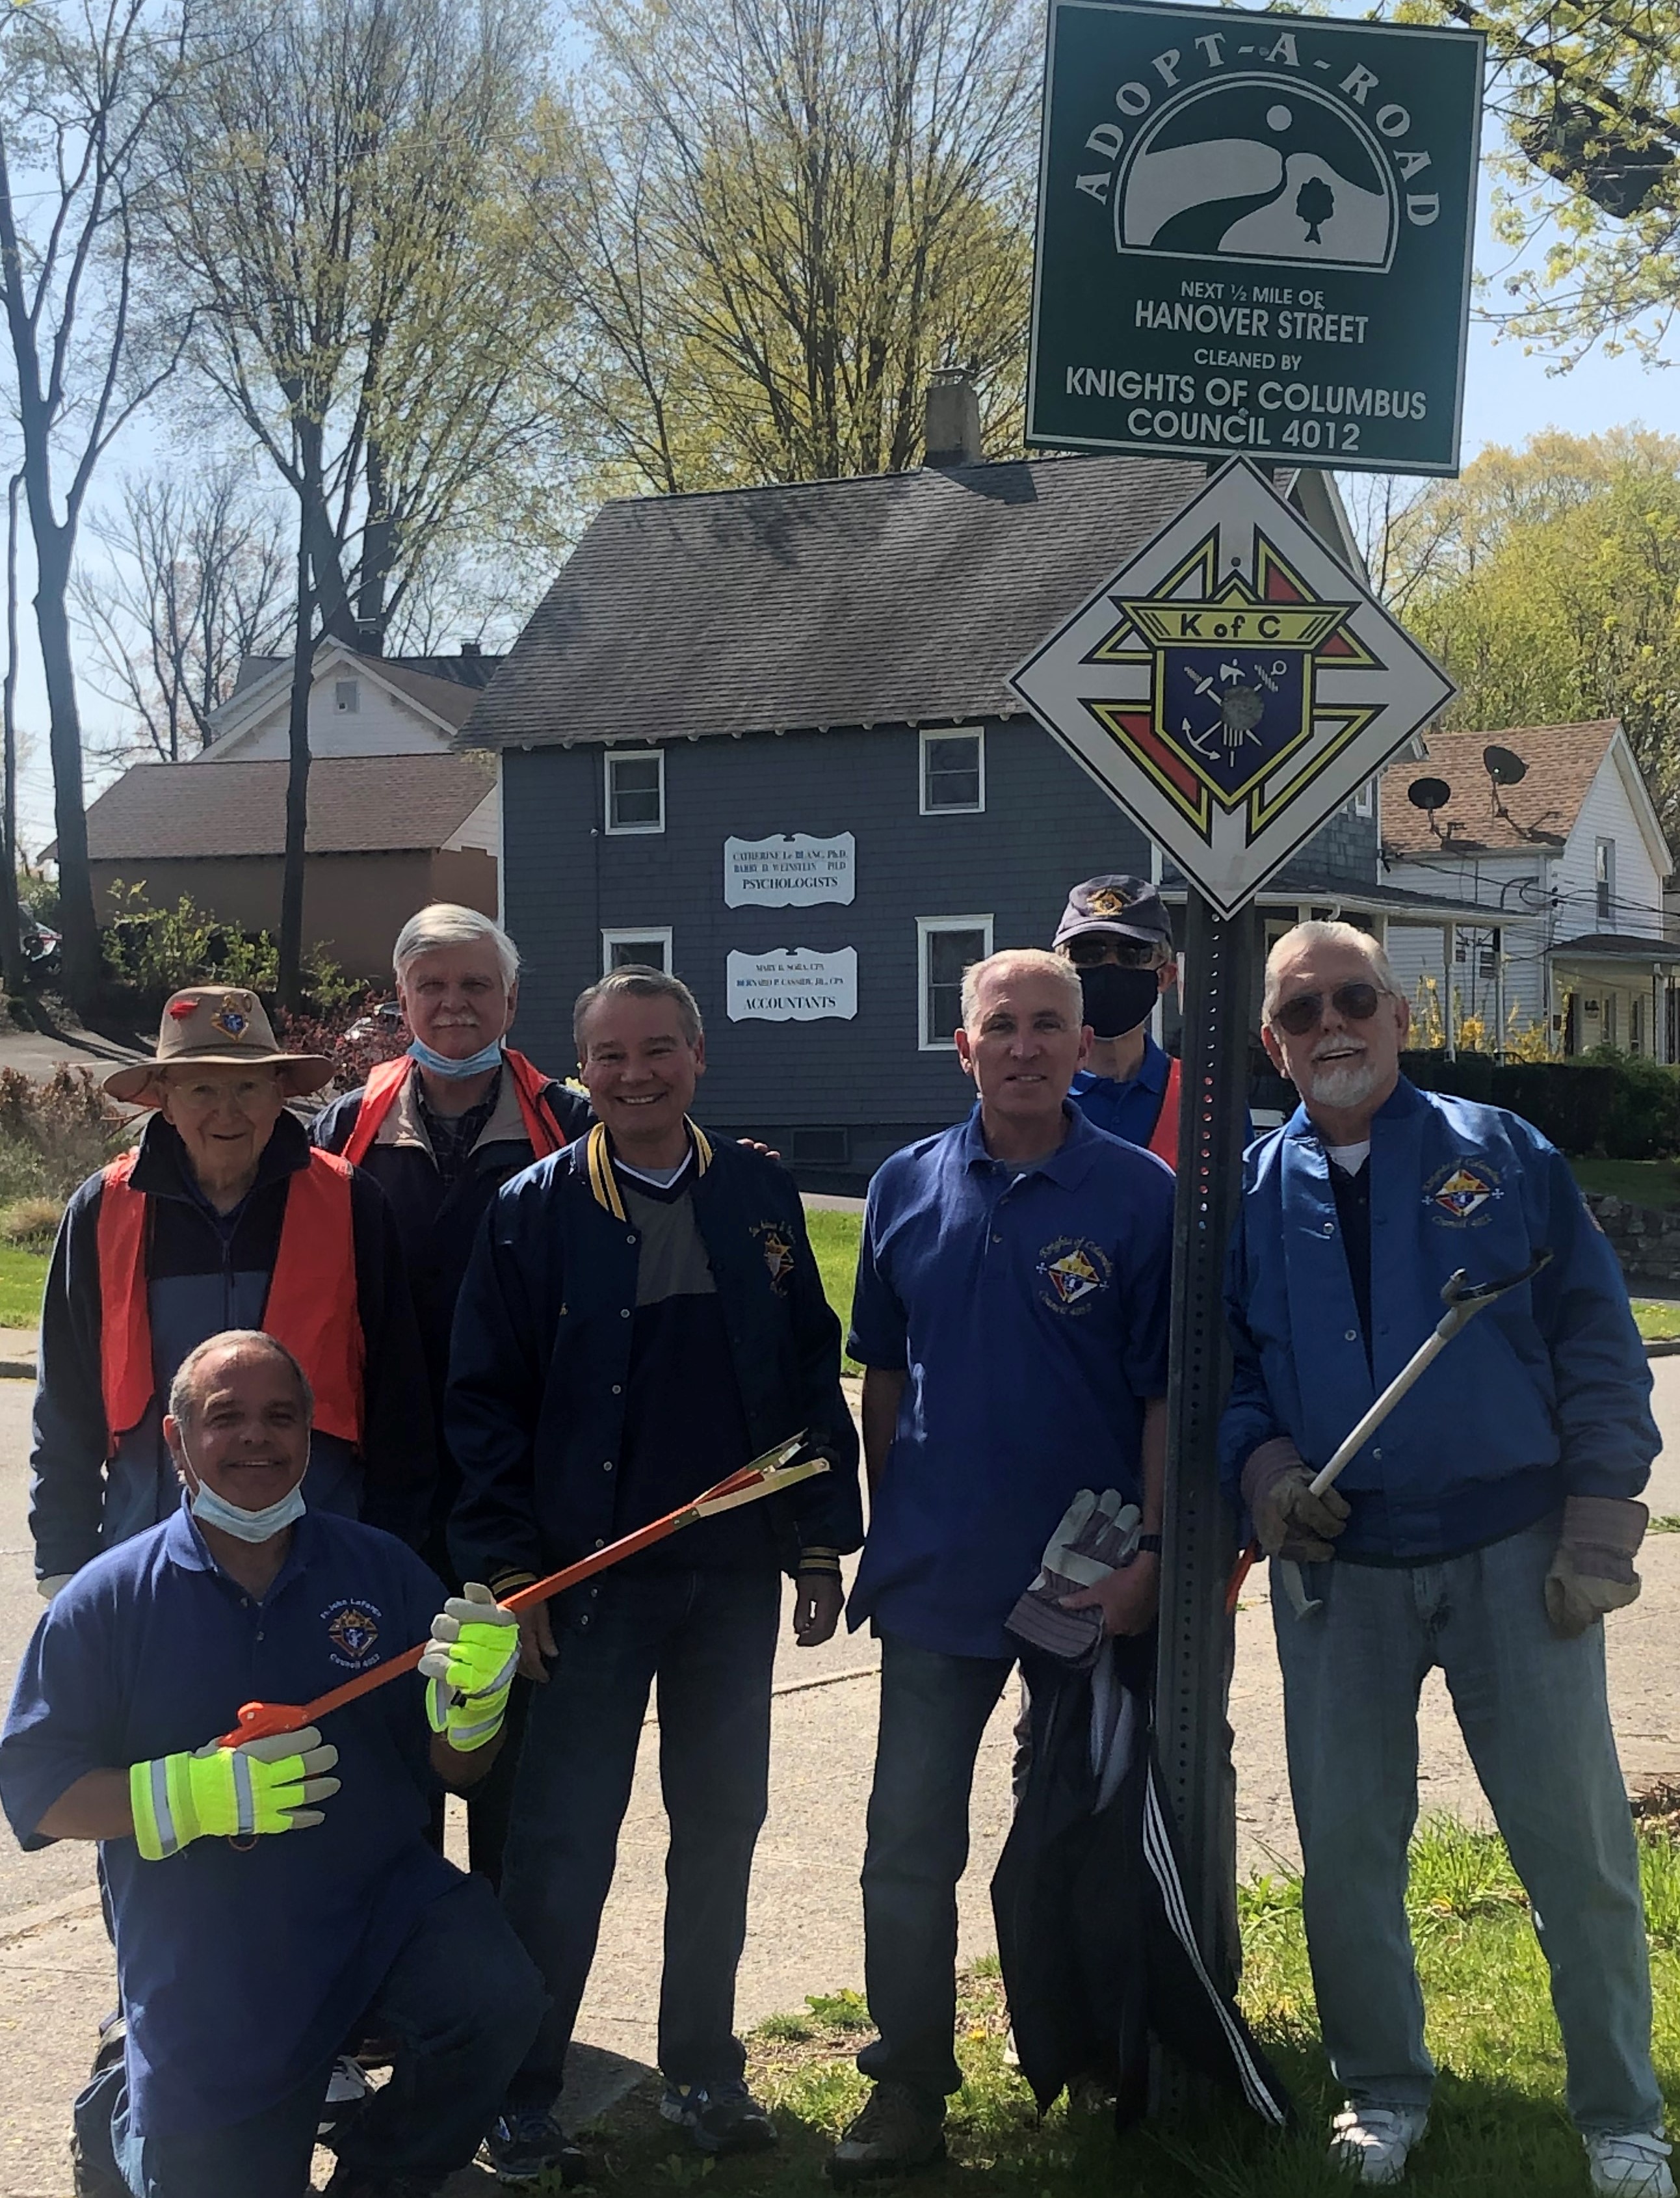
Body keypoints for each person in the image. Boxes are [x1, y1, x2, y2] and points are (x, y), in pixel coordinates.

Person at [1220, 920, 1671, 2197]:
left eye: (1350, 999)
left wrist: (1599, 1520)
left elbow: (1593, 1335)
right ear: (1272, 1043)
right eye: (1300, 1013)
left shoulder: (1500, 1153)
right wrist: (1262, 1477)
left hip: (1511, 1551)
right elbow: (1230, 1376)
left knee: (1574, 1851)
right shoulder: (1254, 1190)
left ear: (1397, 1014)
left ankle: (1619, 2113)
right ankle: (1379, 2089)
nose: (1330, 1028)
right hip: (1340, 1568)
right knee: (1348, 1852)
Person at [447, 965, 863, 2184]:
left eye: (657, 1051)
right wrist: (509, 1572)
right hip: (584, 1592)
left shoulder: (758, 1192)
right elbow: (482, 1408)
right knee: (559, 1844)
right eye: (610, 1057)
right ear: (579, 1071)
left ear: (697, 1056)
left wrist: (817, 1541)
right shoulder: (530, 1211)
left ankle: (702, 2070)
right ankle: (523, 2092)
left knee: (720, 1827)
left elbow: (804, 1376)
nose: (634, 1076)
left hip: (728, 1580)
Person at [0, 1330, 545, 2198]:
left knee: (498, 2000)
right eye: (227, 1418)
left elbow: (456, 1772)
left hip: (379, 1904)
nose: (257, 1436)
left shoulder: (382, 1570)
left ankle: (383, 2180)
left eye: (281, 1417)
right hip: (213, 1948)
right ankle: (120, 2114)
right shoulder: (106, 1601)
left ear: (309, 1434)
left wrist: (477, 1712)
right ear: (177, 1441)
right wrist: (188, 1792)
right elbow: (35, 1792)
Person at [831, 947, 1175, 2183]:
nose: (1024, 1045)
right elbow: (880, 1372)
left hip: (1086, 1584)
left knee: (1077, 1836)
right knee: (906, 1845)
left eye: (1048, 1025)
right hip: (934, 1581)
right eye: (1000, 1025)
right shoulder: (901, 1186)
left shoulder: (1139, 1197)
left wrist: (1143, 1554)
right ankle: (907, 2083)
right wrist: (888, 1521)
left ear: (1083, 1043)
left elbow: (1159, 1399)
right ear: (960, 1045)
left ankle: (1091, 2055)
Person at [315, 905, 589, 1882]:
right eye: (433, 985)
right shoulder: (343, 1129)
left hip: (522, 1492)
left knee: (510, 1746)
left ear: (512, 998)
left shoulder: (571, 1122)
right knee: (395, 1740)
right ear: (401, 1001)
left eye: (476, 985)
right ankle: (406, 1978)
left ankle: (502, 1994)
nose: (455, 1003)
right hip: (385, 1486)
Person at [31, 988, 433, 1597]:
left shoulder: (350, 1202)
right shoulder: (101, 1208)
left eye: (247, 1088)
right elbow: (66, 1401)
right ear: (164, 1100)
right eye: (202, 1090)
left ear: (279, 1094)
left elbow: (398, 1401)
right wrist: (63, 1559)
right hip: (147, 1565)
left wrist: (390, 1555)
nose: (228, 1112)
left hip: (319, 1562)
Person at [1053, 876, 1181, 1161]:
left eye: (1133, 953)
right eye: (1088, 953)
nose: (1109, 967)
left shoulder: (1205, 1098)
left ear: (1165, 976)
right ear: (1061, 974)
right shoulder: (1034, 1092)